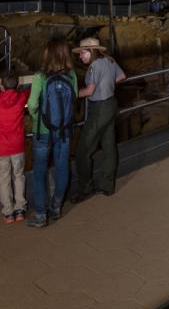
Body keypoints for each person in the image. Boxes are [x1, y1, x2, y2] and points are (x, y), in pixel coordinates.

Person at [25, 38, 78, 227]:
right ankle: (56, 207)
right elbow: (75, 98)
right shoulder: (72, 76)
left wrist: (37, 115)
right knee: (62, 167)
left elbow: (32, 105)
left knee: (39, 171)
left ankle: (40, 214)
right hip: (64, 130)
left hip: (42, 130)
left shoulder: (40, 76)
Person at [72, 37, 126, 201]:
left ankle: (85, 188)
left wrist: (70, 94)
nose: (80, 56)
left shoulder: (94, 66)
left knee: (83, 151)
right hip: (110, 104)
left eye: (83, 52)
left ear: (91, 51)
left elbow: (88, 91)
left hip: (99, 109)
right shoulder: (109, 61)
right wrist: (107, 85)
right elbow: (122, 76)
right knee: (109, 146)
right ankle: (108, 185)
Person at [0, 74, 28, 222]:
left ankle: (8, 212)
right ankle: (20, 209)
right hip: (17, 146)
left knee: (3, 179)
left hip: (0, 147)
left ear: (2, 86)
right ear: (17, 86)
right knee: (18, 176)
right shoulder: (21, 98)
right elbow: (27, 92)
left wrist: (1, 92)